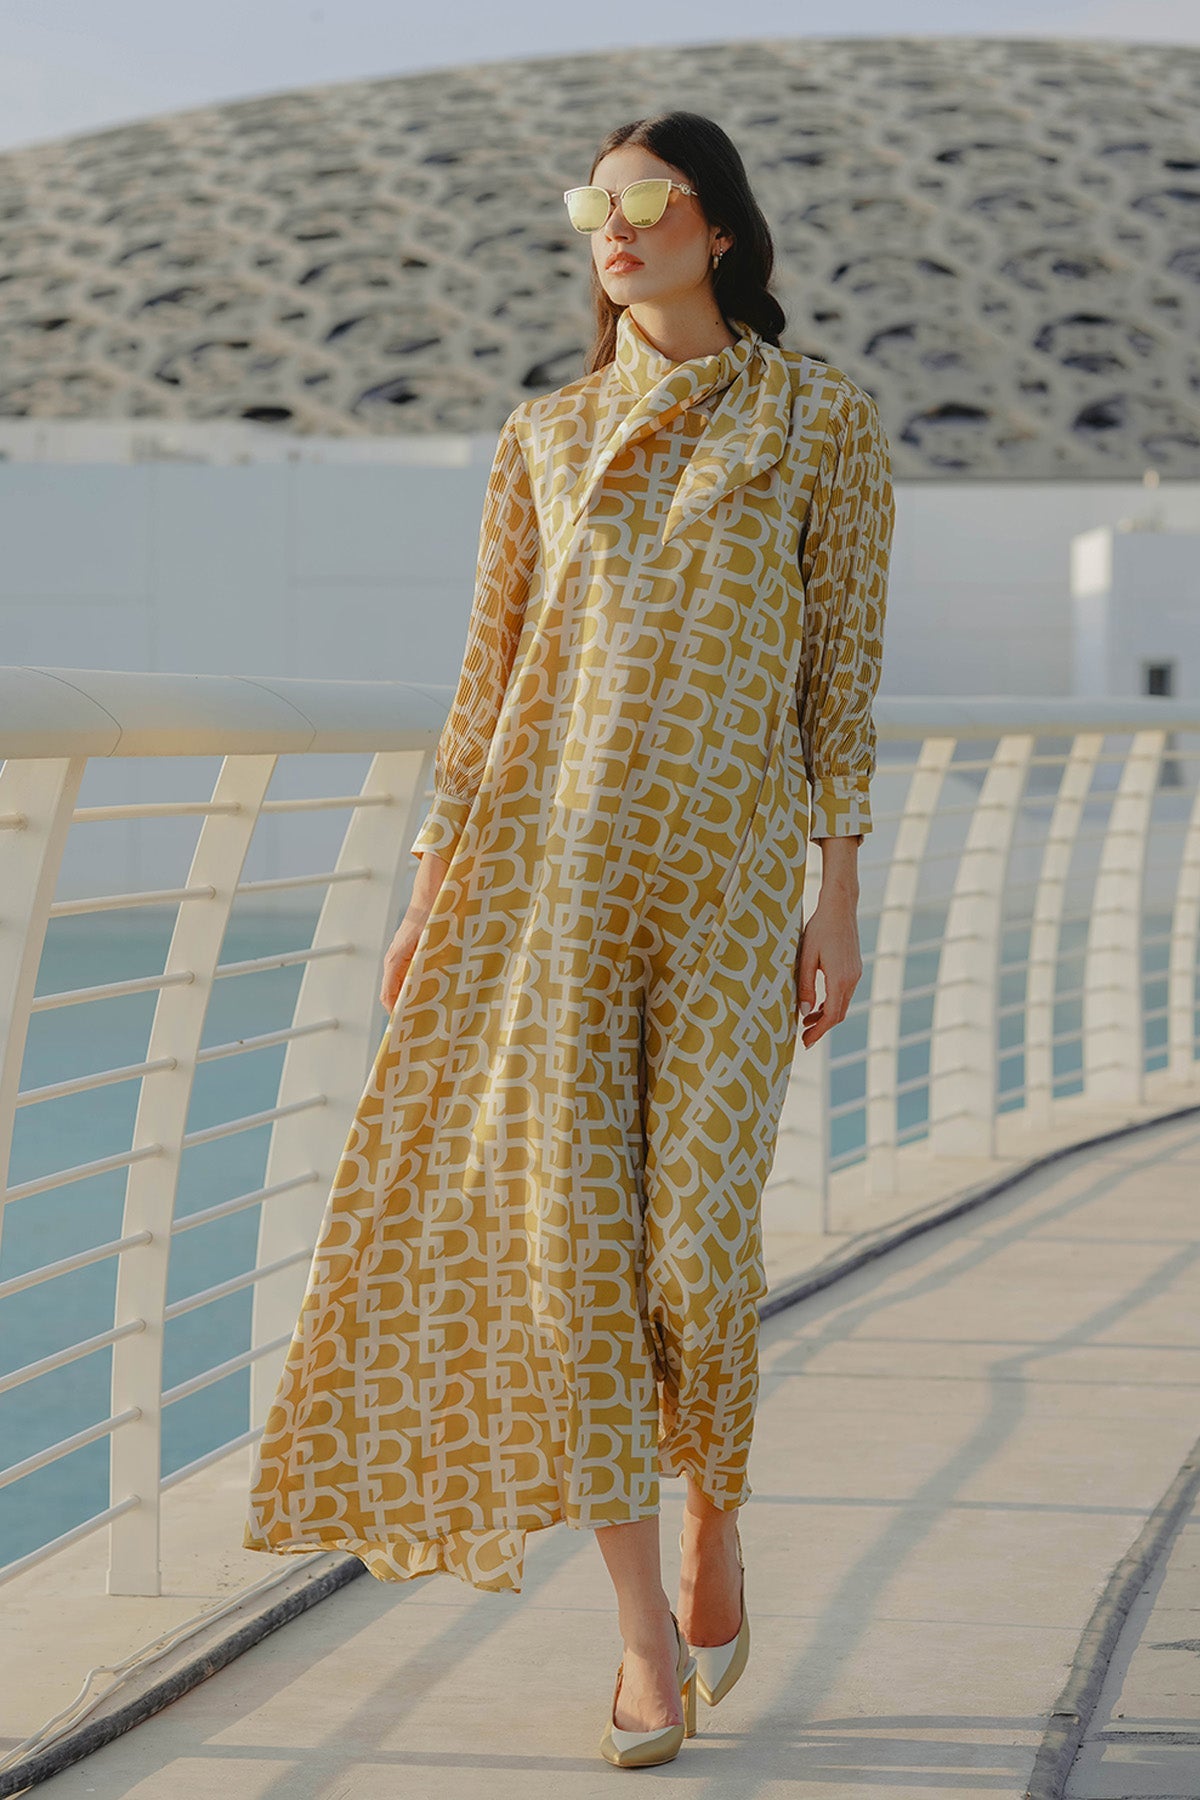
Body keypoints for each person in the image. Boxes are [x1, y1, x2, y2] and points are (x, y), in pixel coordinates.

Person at [243, 108, 894, 1769]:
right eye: (592, 202)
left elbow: (840, 676)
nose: (614, 225)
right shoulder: (545, 433)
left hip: (727, 889)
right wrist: (430, 888)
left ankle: (714, 1510)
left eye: (646, 198)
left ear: (718, 227)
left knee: (697, 1253)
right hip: (547, 887)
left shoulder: (818, 419)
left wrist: (837, 889)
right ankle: (638, 1644)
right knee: (577, 1261)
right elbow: (489, 681)